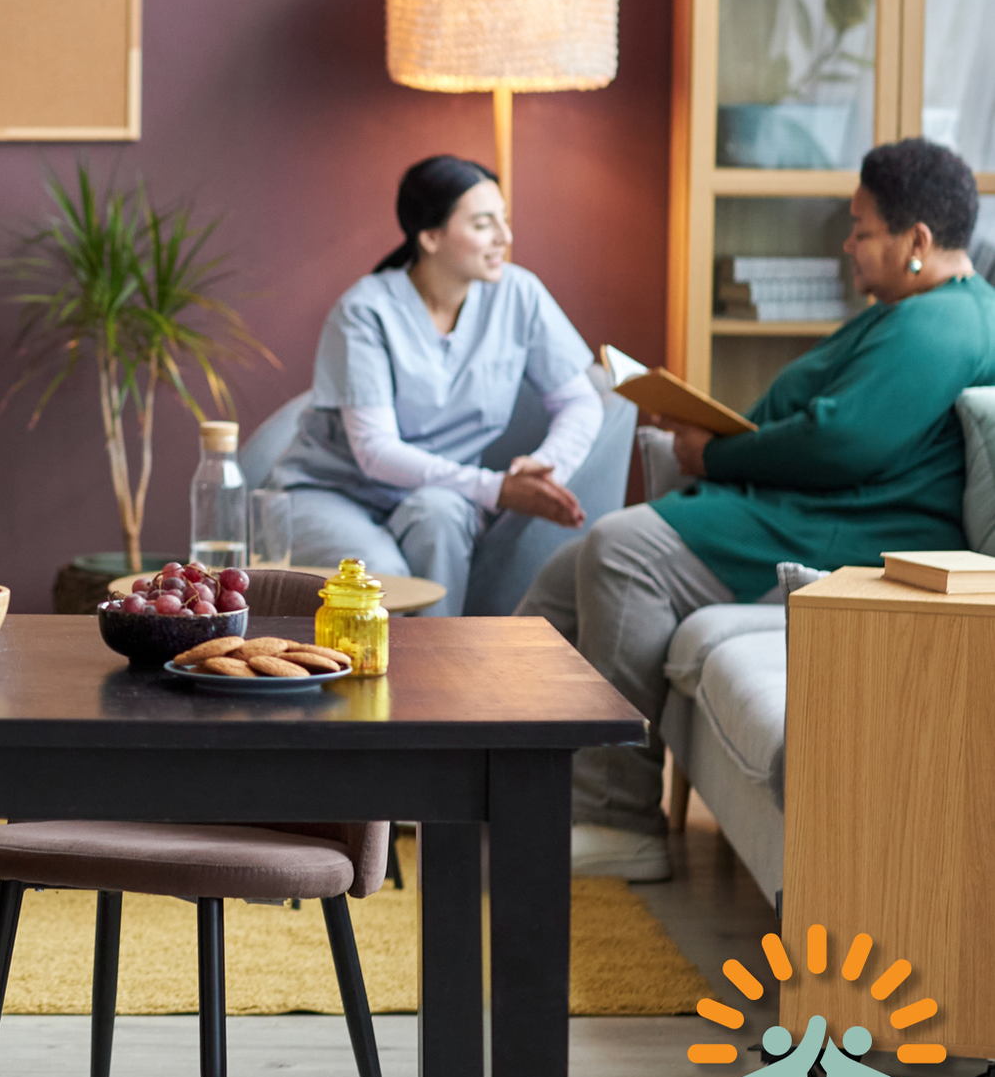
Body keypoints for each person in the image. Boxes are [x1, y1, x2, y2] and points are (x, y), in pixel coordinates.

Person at [521, 138, 995, 882]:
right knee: (566, 571)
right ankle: (499, 785)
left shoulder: (946, 324)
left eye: (862, 228)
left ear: (919, 242)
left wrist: (715, 456)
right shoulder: (916, 310)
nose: (848, 243)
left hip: (856, 532)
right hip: (813, 509)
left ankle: (618, 821)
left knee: (621, 549)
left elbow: (844, 441)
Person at [272, 155, 603, 617]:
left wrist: (546, 469)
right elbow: (374, 450)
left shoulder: (519, 295)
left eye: (504, 220)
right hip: (332, 492)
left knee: (443, 516)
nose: (505, 238)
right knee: (380, 578)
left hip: (434, 492)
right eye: (484, 224)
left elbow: (579, 400)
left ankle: (439, 678)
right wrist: (495, 488)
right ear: (429, 237)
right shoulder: (365, 311)